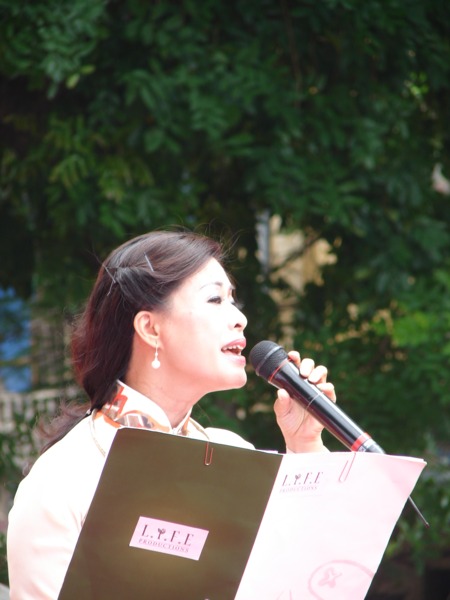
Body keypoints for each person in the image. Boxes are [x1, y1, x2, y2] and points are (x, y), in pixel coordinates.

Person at [7, 230, 336, 599]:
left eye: (233, 299)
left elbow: (318, 579)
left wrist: (305, 444)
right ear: (150, 328)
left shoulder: (235, 457)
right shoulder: (63, 480)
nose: (240, 318)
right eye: (215, 299)